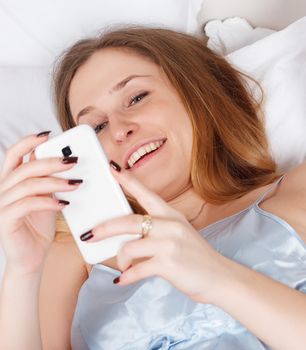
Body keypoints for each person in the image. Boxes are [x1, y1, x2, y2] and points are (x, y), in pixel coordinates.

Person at [0, 26, 305, 350]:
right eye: (97, 127)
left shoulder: (296, 191)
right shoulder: (78, 255)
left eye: (136, 98)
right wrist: (23, 272)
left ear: (197, 91)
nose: (119, 130)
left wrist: (217, 276)